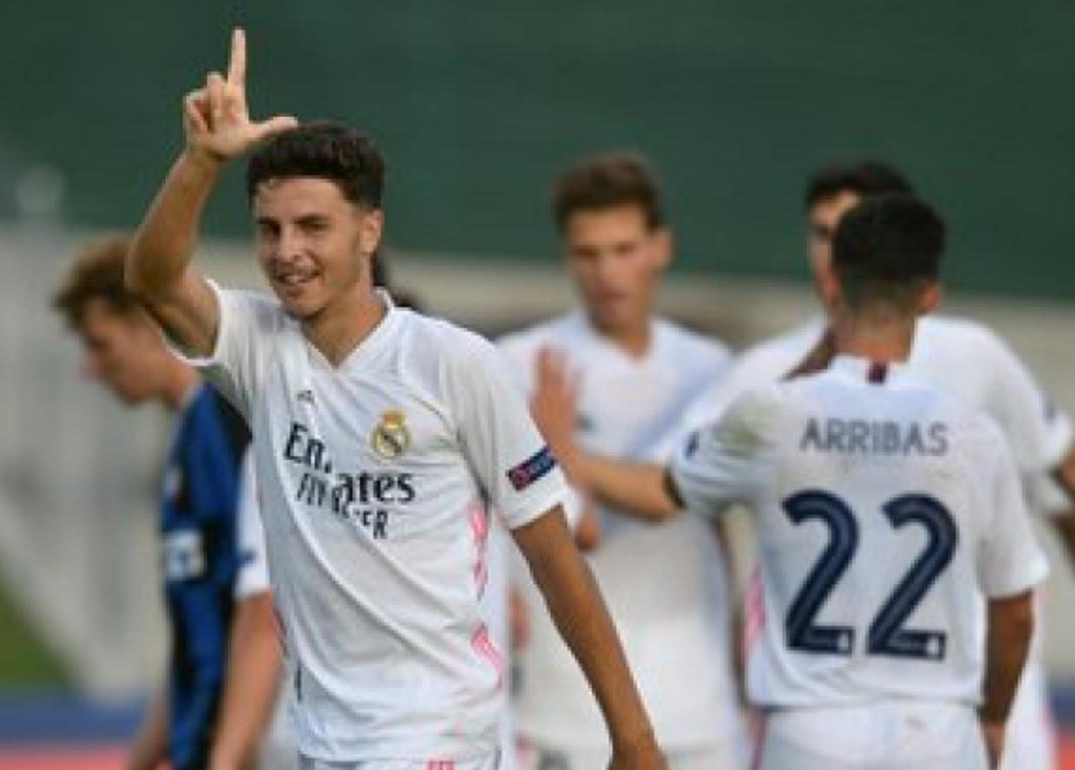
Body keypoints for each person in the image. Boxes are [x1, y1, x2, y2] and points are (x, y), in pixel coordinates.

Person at [123, 28, 666, 770]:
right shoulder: (258, 347)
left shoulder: (453, 364)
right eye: (270, 229)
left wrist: (632, 736)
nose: (287, 252)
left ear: (369, 230)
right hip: (323, 738)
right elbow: (152, 281)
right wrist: (200, 162)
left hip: (434, 734)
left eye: (313, 227)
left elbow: (554, 558)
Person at [540, 161, 1075, 769]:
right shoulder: (975, 435)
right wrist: (994, 715)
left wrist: (560, 449)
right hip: (939, 722)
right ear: (928, 295)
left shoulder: (771, 410)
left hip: (813, 725)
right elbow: (1016, 606)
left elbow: (667, 488)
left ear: (835, 285)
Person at [496, 153, 744, 770]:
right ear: (566, 257)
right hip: (564, 712)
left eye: (624, 249)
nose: (608, 272)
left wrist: (563, 454)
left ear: (661, 247)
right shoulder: (519, 362)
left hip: (697, 707)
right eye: (588, 253)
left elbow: (681, 502)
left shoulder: (710, 368)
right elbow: (565, 530)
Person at [51, 236, 282, 770]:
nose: (91, 368)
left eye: (99, 343)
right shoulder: (189, 433)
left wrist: (229, 753)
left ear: (147, 324)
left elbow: (260, 606)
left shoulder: (225, 424)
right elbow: (195, 635)